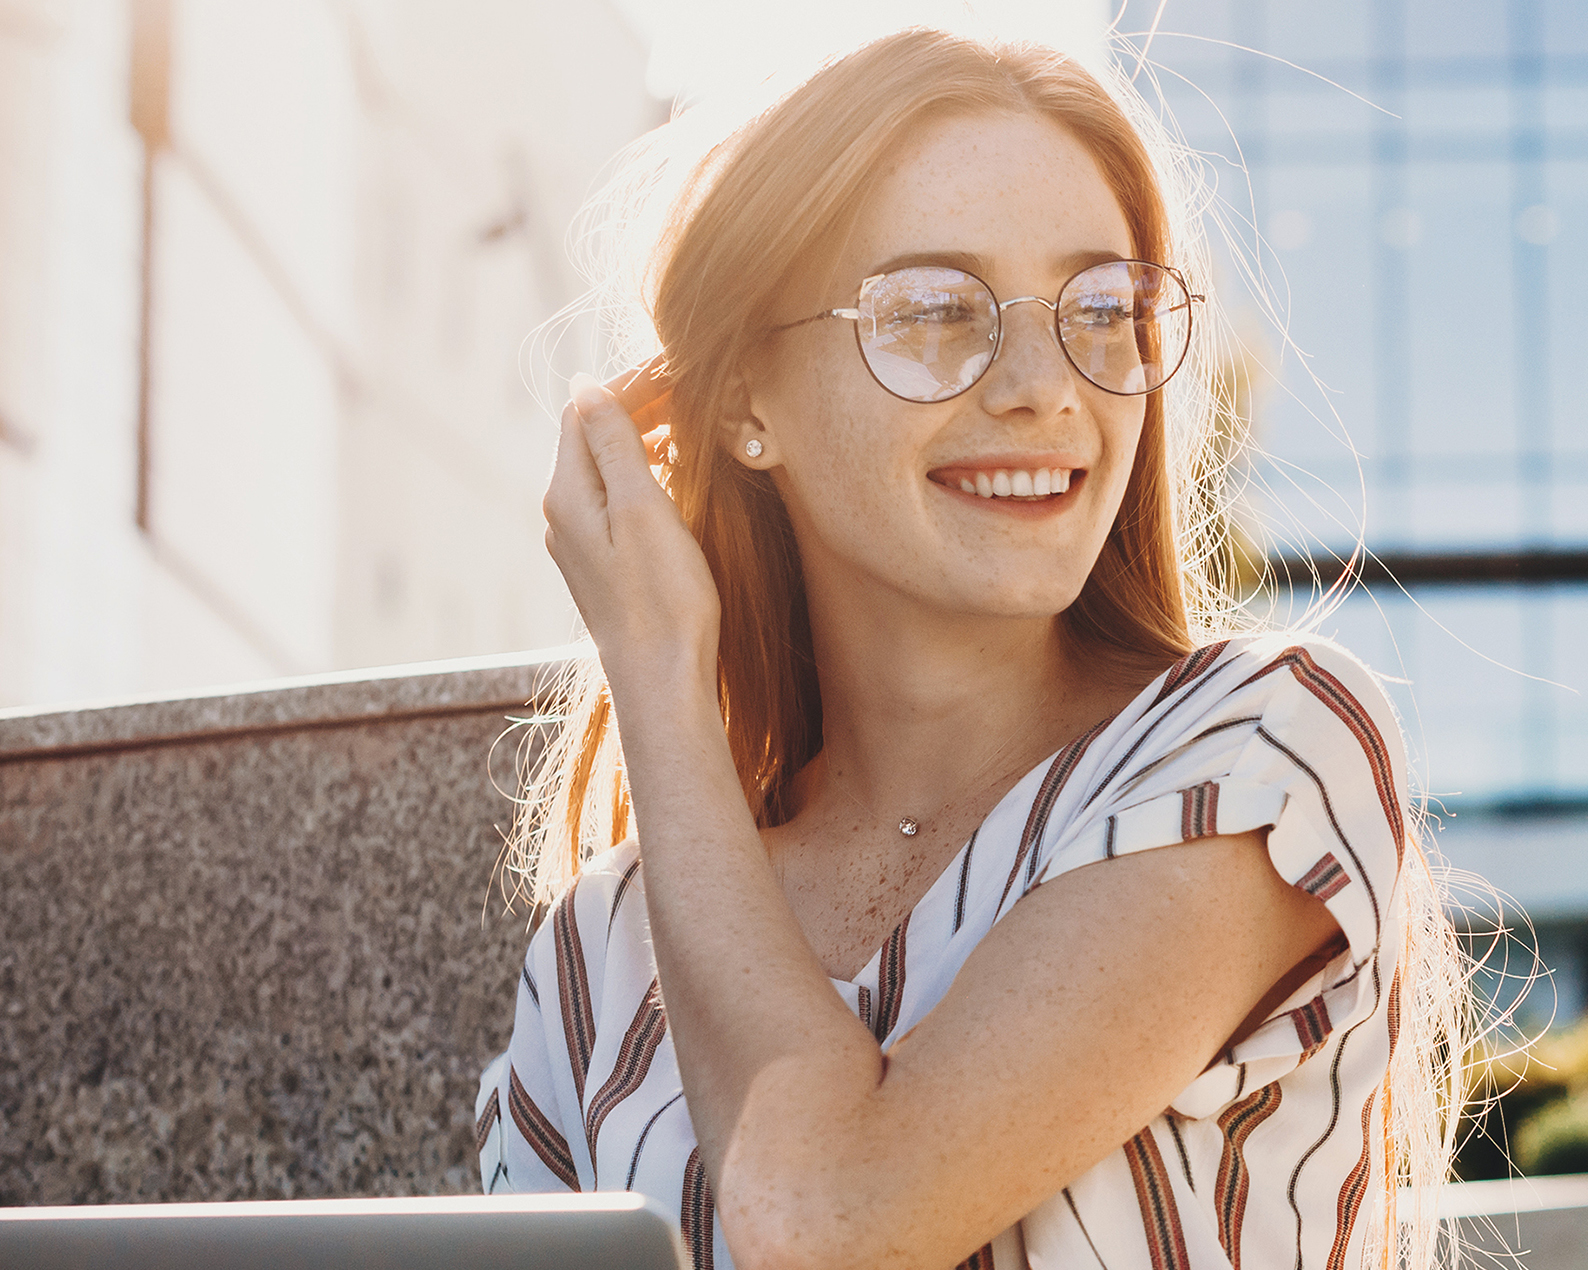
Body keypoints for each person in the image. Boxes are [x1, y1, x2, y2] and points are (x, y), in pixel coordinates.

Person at [475, 27, 1471, 1270]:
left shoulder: (1261, 753)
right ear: (742, 402)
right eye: (938, 312)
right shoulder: (603, 949)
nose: (1045, 387)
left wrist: (661, 681)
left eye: (1101, 311)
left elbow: (831, 1215)